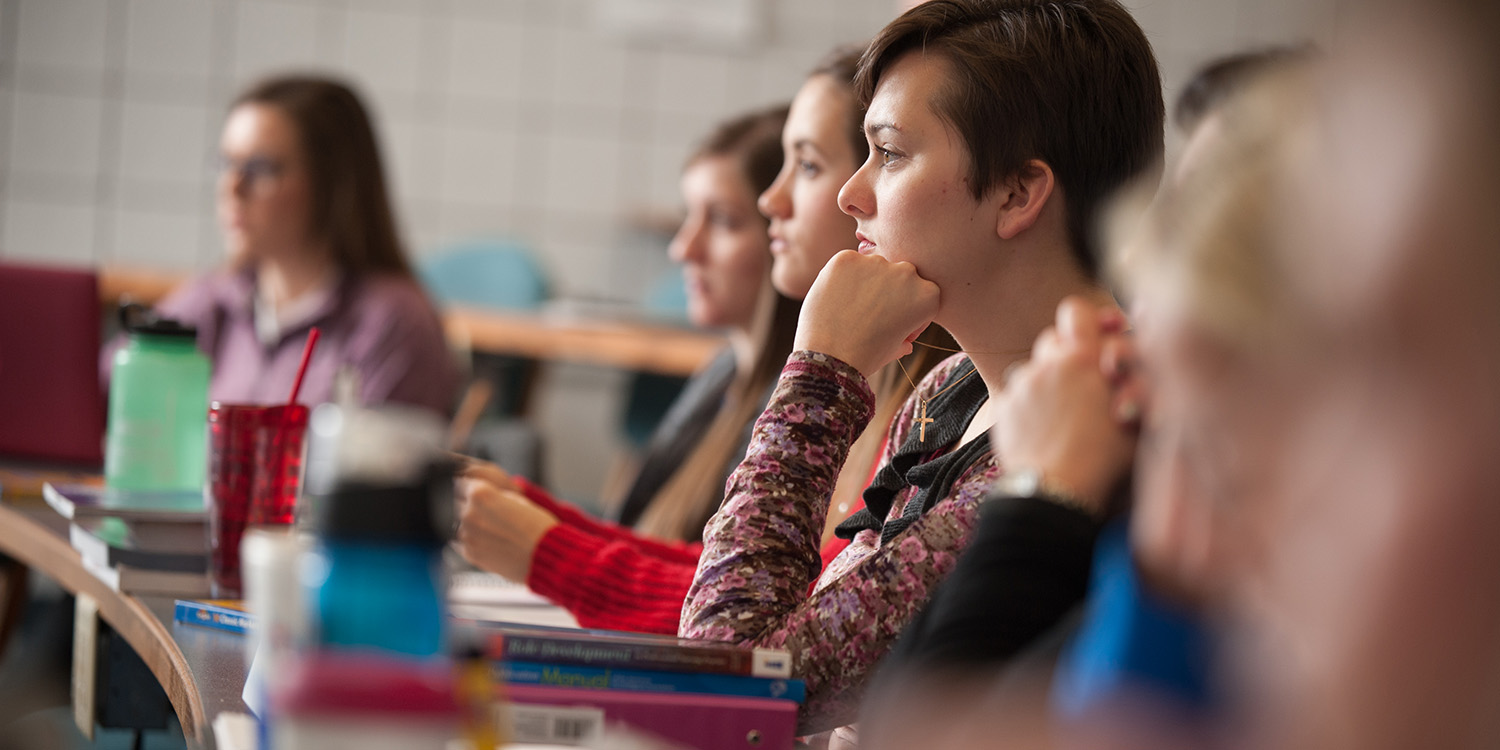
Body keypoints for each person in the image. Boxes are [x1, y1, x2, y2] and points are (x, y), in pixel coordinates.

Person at [679, 0, 1165, 736]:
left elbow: (726, 689)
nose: (852, 193)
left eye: (892, 153)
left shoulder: (1083, 440)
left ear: (1017, 193)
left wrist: (820, 373)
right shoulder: (952, 390)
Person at [456, 50, 956, 634]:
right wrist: (532, 517)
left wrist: (545, 549)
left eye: (810, 165)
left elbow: (763, 618)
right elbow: (726, 575)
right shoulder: (883, 387)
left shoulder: (926, 406)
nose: (773, 201)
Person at [105, 75, 458, 416]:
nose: (231, 188)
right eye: (226, 163)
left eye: (261, 168)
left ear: (332, 186)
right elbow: (105, 389)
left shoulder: (392, 323)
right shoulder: (217, 296)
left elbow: (388, 469)